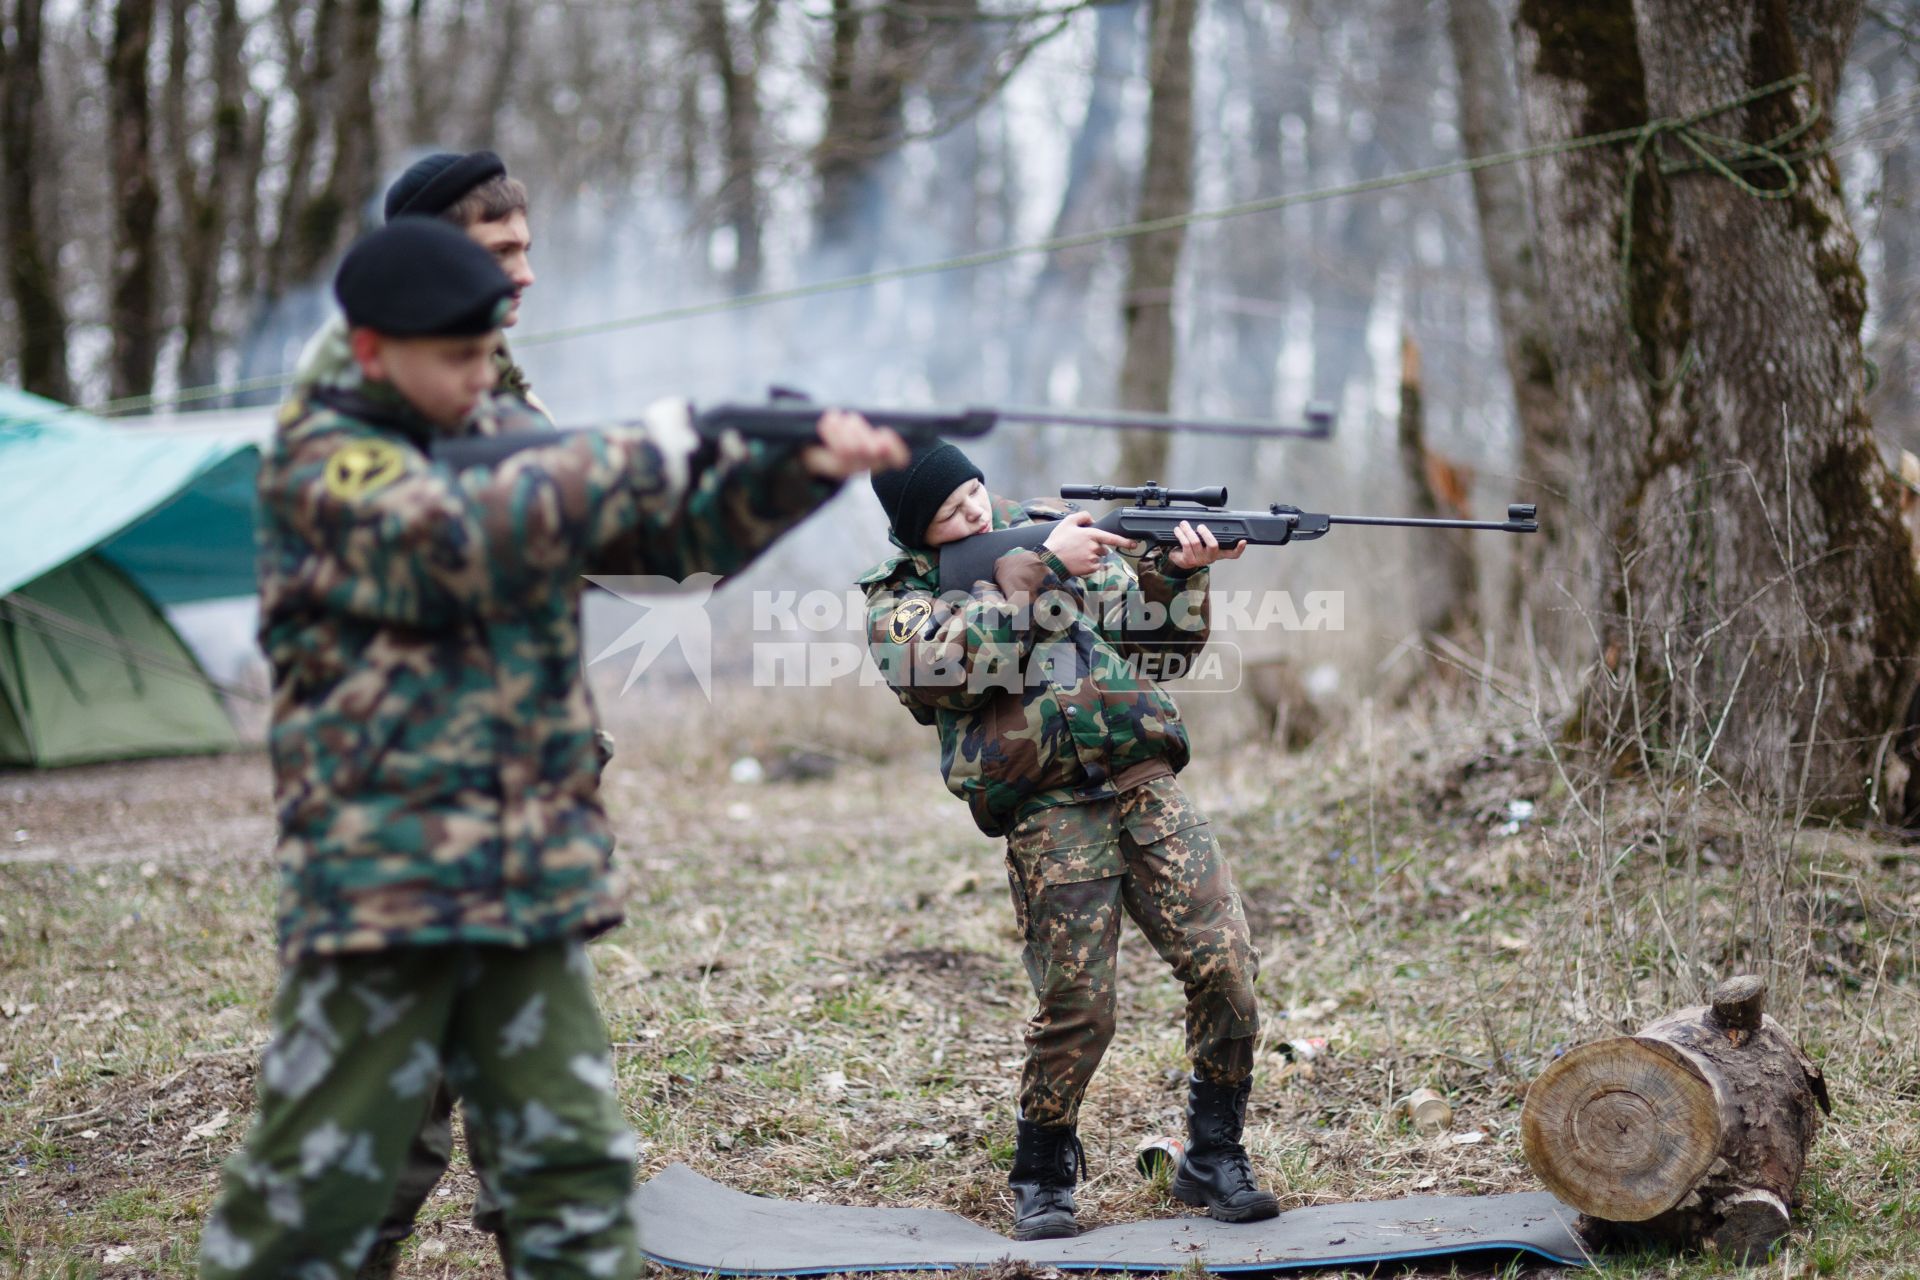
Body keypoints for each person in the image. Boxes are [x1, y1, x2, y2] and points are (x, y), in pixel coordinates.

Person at [198, 218, 906, 1278]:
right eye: (457, 359)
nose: (482, 380)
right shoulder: (324, 463)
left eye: (491, 356)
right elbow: (458, 530)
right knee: (309, 1211)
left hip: (530, 886)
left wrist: (795, 470)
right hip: (385, 894)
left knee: (575, 1192)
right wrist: (654, 442)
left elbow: (669, 550)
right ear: (372, 350)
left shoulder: (494, 430)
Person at [857, 442, 1278, 1240]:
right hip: (1048, 808)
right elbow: (940, 671)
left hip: (1142, 780)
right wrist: (1042, 569)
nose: (976, 513)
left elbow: (1161, 648)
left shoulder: (1057, 532)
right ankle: (1043, 1172)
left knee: (1226, 967)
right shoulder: (900, 599)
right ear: (916, 529)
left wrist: (1184, 574)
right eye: (951, 511)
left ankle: (1214, 1154)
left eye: (975, 492)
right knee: (1079, 1006)